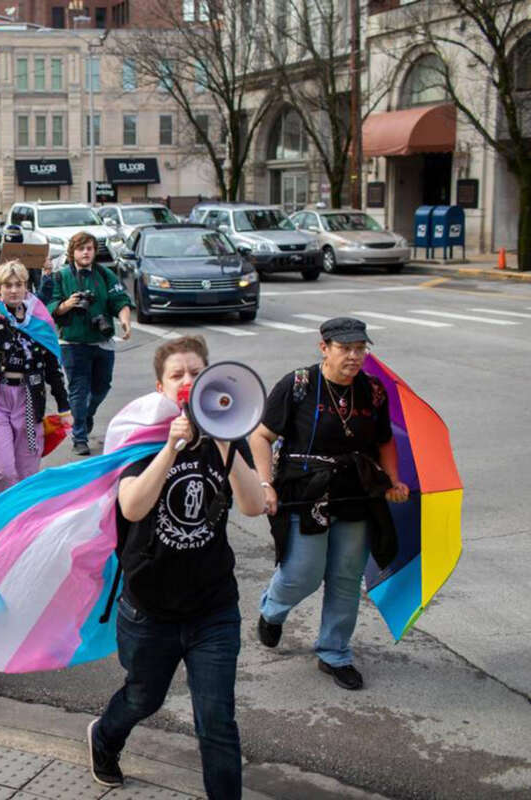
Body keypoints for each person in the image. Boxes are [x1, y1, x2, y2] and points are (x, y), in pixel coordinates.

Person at [87, 336, 265, 797]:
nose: (187, 381)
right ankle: (105, 737)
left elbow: (251, 506)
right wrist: (169, 448)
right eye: (177, 375)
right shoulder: (141, 435)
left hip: (213, 608)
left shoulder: (228, 433)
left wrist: (228, 444)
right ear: (160, 386)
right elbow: (131, 507)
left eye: (195, 372)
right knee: (143, 698)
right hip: (150, 609)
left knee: (217, 720)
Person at [250, 317, 409, 691]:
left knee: (345, 577)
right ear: (324, 348)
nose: (355, 356)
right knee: (301, 573)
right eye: (346, 348)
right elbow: (261, 436)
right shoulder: (298, 385)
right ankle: (272, 609)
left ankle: (335, 653)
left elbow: (385, 440)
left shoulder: (372, 392)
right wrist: (265, 484)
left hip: (355, 492)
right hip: (305, 492)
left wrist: (393, 479)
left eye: (361, 349)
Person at [0, 261, 69, 494]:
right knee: (3, 471)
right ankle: (1, 516)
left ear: (26, 286)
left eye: (18, 284)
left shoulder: (39, 318)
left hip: (29, 399)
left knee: (27, 471)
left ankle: (23, 522)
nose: (14, 290)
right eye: (8, 285)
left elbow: (51, 367)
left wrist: (64, 405)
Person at [48, 232, 133, 456]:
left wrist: (125, 322)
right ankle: (79, 437)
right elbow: (50, 307)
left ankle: (86, 414)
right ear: (72, 252)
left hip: (101, 341)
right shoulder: (61, 276)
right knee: (78, 390)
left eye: (89, 248)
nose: (86, 252)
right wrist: (67, 304)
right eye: (81, 248)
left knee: (101, 387)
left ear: (95, 251)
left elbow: (120, 301)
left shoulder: (105, 275)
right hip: (72, 342)